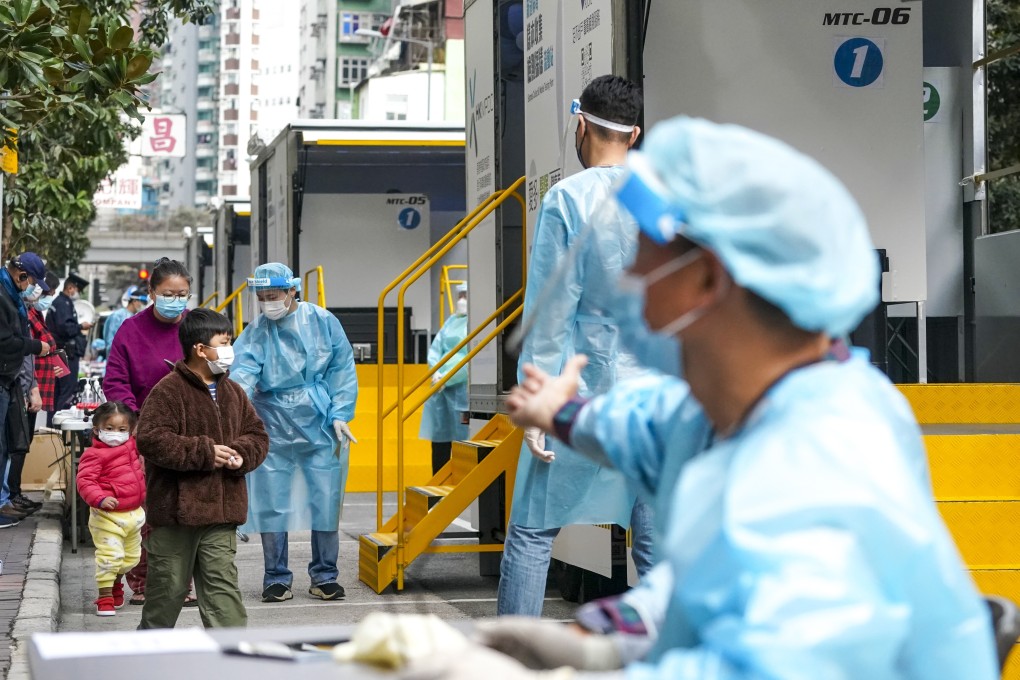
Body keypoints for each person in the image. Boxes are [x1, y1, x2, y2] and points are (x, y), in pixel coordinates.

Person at [417, 117, 997, 679]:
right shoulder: (731, 405)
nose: (626, 279)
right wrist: (559, 413)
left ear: (705, 279)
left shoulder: (825, 457)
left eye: (642, 254)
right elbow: (646, 433)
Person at [498, 75, 654, 617]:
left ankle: (512, 657)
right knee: (656, 544)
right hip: (654, 397)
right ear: (634, 135)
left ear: (580, 124)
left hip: (579, 392)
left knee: (532, 531)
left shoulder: (567, 198)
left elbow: (550, 313)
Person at [230, 263, 358, 603]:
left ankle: (325, 576)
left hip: (318, 419)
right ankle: (276, 578)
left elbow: (342, 367)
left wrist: (340, 413)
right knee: (272, 500)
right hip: (271, 420)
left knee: (325, 497)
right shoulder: (256, 331)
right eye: (262, 298)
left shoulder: (322, 321)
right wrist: (234, 413)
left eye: (273, 296)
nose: (268, 303)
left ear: (292, 291)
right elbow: (243, 373)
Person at [135, 308, 269, 629]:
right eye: (224, 343)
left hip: (221, 514)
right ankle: (146, 652)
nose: (230, 349)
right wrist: (205, 452)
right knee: (166, 593)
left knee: (223, 594)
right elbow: (151, 439)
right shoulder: (168, 390)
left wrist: (241, 455)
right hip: (175, 517)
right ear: (200, 349)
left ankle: (233, 653)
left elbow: (257, 436)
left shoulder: (234, 392)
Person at [103, 257, 196, 606]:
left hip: (189, 431)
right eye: (168, 294)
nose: (175, 300)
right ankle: (143, 582)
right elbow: (116, 380)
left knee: (185, 509)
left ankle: (181, 583)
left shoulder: (195, 328)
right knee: (143, 511)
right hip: (143, 430)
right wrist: (134, 420)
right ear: (152, 293)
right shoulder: (131, 331)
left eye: (182, 294)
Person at [76, 401, 146, 617]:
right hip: (106, 516)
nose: (116, 433)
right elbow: (85, 481)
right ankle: (105, 597)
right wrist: (100, 498)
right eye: (110, 428)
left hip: (133, 514)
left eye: (122, 429)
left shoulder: (132, 446)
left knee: (131, 558)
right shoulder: (94, 455)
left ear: (130, 430)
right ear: (97, 430)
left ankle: (116, 584)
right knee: (110, 556)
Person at [0, 253, 52, 529]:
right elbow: (6, 341)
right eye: (32, 282)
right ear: (21, 275)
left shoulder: (12, 297)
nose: (33, 288)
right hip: (5, 377)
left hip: (9, 380)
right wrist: (35, 347)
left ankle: (4, 500)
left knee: (7, 445)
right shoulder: (3, 297)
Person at [420, 283, 470, 474]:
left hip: (462, 390)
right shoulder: (451, 322)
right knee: (440, 440)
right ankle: (438, 482)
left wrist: (447, 379)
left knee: (462, 441)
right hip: (440, 390)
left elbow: (470, 359)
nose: (462, 300)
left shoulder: (478, 323)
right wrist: (435, 373)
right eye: (460, 295)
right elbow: (435, 349)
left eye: (466, 295)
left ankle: (461, 484)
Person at [46, 272, 92, 412]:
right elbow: (65, 328)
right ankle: (59, 422)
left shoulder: (61, 303)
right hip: (66, 354)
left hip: (61, 353)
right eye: (77, 290)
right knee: (66, 391)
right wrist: (81, 326)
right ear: (70, 288)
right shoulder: (63, 303)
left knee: (59, 391)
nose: (76, 293)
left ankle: (54, 422)